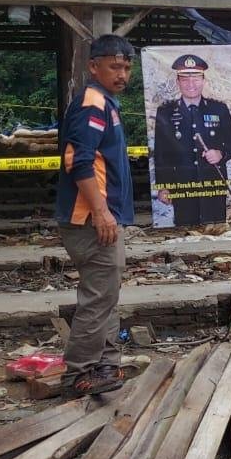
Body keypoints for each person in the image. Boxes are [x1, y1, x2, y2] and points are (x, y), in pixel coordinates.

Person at [55, 35, 137, 397]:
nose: (122, 74)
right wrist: (101, 212)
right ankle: (78, 375)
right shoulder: (92, 103)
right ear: (93, 66)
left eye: (127, 67)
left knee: (106, 294)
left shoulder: (106, 103)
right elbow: (79, 161)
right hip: (91, 219)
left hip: (104, 217)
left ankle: (105, 366)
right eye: (114, 67)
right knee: (99, 296)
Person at [153, 54, 231, 225]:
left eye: (195, 79)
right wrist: (163, 186)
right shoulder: (165, 112)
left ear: (203, 81)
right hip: (183, 186)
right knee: (186, 229)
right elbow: (161, 154)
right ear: (178, 82)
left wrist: (221, 153)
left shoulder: (219, 109)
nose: (191, 84)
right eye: (185, 79)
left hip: (213, 184)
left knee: (216, 230)